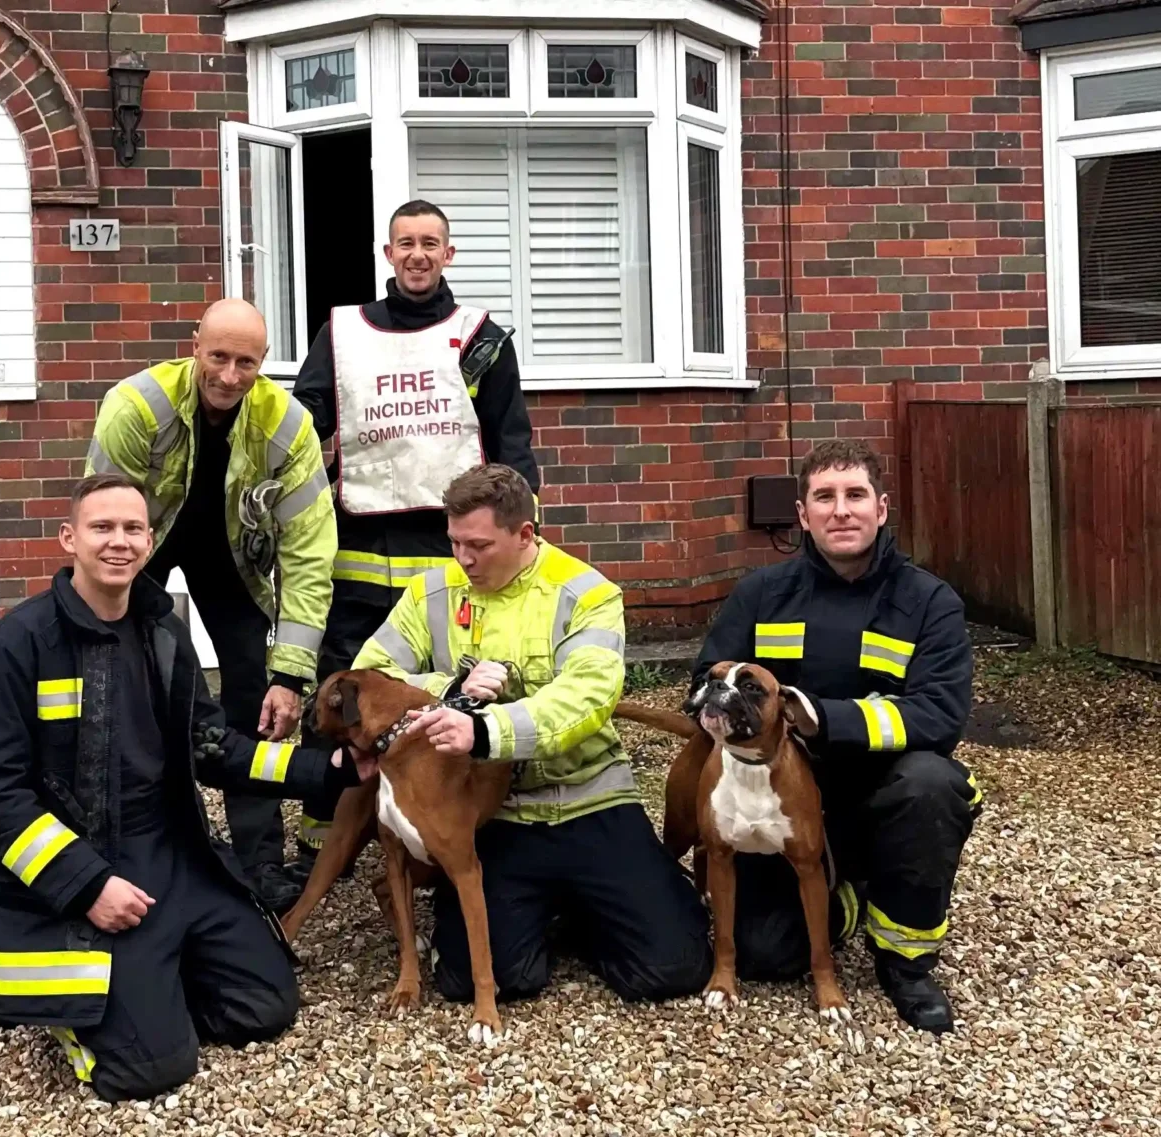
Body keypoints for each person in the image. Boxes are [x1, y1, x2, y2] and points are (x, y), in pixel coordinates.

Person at [0, 473, 372, 1101]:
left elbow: (214, 747)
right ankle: (76, 1014)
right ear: (69, 538)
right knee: (148, 1072)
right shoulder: (18, 645)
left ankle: (150, 989)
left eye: (132, 529)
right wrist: (87, 886)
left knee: (266, 1008)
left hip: (172, 856)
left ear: (150, 542)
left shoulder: (163, 631)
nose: (118, 542)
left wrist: (331, 771)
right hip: (89, 868)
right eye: (102, 528)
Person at [353, 463, 714, 1006]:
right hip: (497, 814)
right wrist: (451, 687)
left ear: (525, 534)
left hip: (589, 796)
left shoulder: (587, 593)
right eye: (454, 543)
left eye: (478, 545)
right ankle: (559, 910)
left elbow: (587, 698)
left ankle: (594, 906)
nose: (463, 559)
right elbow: (371, 677)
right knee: (484, 978)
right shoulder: (430, 591)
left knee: (673, 970)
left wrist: (487, 729)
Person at [286, 199, 541, 886]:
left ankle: (446, 818)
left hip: (449, 554)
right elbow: (302, 419)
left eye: (431, 242)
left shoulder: (481, 338)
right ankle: (326, 828)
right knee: (341, 688)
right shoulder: (343, 333)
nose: (419, 254)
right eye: (407, 243)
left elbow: (511, 440)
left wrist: (521, 527)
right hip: (358, 549)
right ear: (388, 253)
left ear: (448, 253)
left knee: (450, 687)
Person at [691, 438, 980, 1033]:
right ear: (802, 514)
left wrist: (827, 719)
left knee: (934, 782)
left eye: (855, 495)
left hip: (876, 796)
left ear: (882, 508)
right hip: (778, 800)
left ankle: (905, 958)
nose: (841, 510)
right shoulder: (761, 594)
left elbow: (940, 715)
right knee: (769, 957)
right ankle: (841, 902)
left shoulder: (928, 603)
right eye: (824, 497)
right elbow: (705, 678)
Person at [83, 299, 335, 914]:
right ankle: (158, 846)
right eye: (217, 357)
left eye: (245, 362)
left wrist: (291, 675)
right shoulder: (135, 406)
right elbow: (102, 520)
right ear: (193, 345)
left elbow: (308, 553)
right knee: (160, 687)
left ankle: (260, 863)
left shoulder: (289, 425)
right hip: (144, 549)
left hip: (234, 561)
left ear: (263, 362)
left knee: (256, 699)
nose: (228, 375)